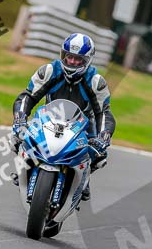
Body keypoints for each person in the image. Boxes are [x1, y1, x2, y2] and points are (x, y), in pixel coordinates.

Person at [11, 33, 115, 201]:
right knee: (16, 137)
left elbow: (104, 113)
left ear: (87, 60)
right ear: (63, 55)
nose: (72, 62)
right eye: (69, 57)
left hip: (83, 128)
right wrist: (20, 118)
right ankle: (24, 167)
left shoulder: (96, 82)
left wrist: (104, 136)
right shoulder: (50, 71)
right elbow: (28, 96)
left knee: (99, 154)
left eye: (78, 59)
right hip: (48, 121)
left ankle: (84, 178)